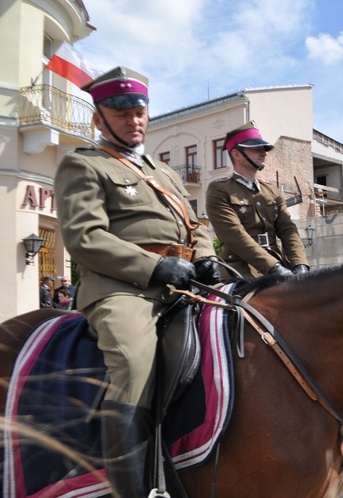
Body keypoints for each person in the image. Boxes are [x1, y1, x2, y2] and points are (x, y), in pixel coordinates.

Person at [54, 66, 219, 496]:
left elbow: (195, 222)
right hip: (121, 287)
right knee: (133, 363)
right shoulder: (83, 164)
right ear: (99, 118)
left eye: (140, 112)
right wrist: (153, 267)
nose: (134, 121)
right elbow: (84, 237)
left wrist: (206, 256)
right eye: (121, 112)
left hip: (182, 282)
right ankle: (134, 490)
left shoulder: (164, 173)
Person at [205, 122, 310, 280]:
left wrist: (299, 264)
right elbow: (234, 235)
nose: (264, 153)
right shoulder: (219, 189)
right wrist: (273, 268)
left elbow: (288, 229)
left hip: (279, 267)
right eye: (256, 149)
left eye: (265, 149)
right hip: (239, 272)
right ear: (236, 154)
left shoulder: (271, 191)